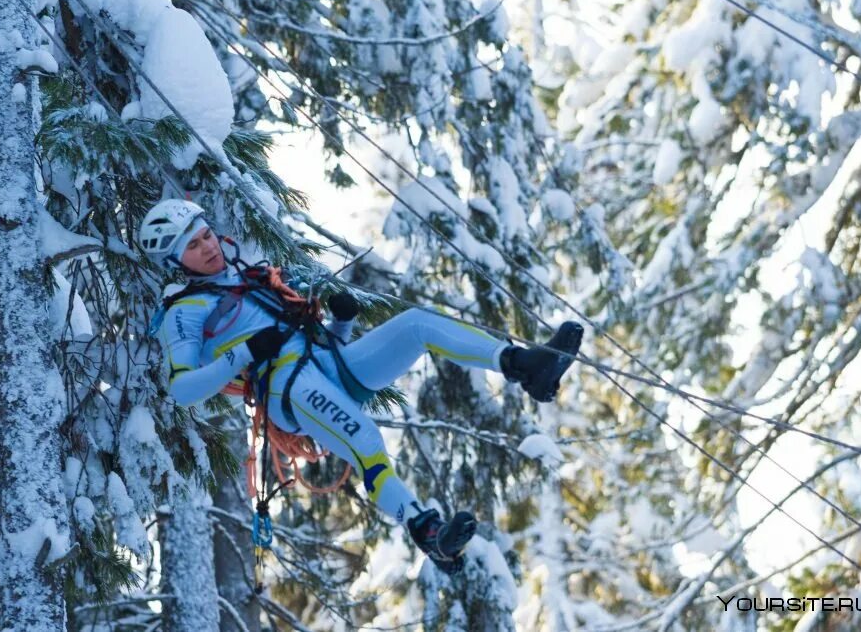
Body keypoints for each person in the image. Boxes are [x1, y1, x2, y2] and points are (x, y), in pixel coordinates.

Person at [139, 198, 583, 574]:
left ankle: (524, 365)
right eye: (193, 246)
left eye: (206, 235)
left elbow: (302, 335)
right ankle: (426, 531)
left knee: (416, 325)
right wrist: (245, 352)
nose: (207, 247)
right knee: (365, 439)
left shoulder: (246, 275)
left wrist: (342, 323)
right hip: (286, 388)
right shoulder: (185, 311)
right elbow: (182, 390)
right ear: (175, 261)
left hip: (325, 360)